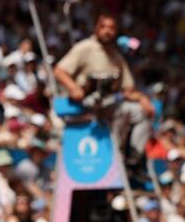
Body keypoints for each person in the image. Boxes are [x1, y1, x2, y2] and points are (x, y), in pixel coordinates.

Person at [52, 12, 154, 170]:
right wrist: (73, 87)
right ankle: (114, 156)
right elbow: (59, 70)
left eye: (112, 28)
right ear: (96, 28)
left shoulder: (116, 56)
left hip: (108, 105)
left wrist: (142, 98)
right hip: (84, 106)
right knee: (121, 111)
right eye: (104, 27)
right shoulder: (85, 47)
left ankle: (132, 158)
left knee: (142, 112)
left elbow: (127, 90)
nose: (107, 31)